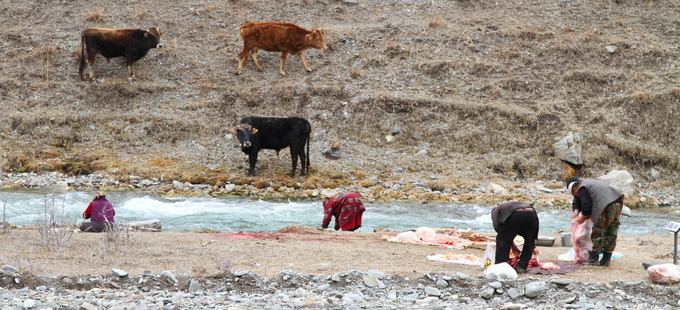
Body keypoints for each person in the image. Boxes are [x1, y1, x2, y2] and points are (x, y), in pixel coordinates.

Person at [566, 176, 624, 266]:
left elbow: (587, 206)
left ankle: (593, 259)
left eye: (574, 194)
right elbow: (578, 200)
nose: (575, 196)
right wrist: (576, 210)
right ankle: (606, 259)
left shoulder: (582, 188)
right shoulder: (586, 184)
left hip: (605, 206)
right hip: (617, 202)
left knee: (598, 230)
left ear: (574, 188)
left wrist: (582, 218)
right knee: (611, 231)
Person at [491, 201, 539, 273]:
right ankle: (522, 267)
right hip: (532, 213)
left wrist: (504, 238)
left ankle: (500, 265)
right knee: (530, 240)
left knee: (501, 239)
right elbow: (527, 233)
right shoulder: (508, 206)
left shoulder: (495, 211)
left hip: (515, 214)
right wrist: (533, 246)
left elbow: (497, 227)